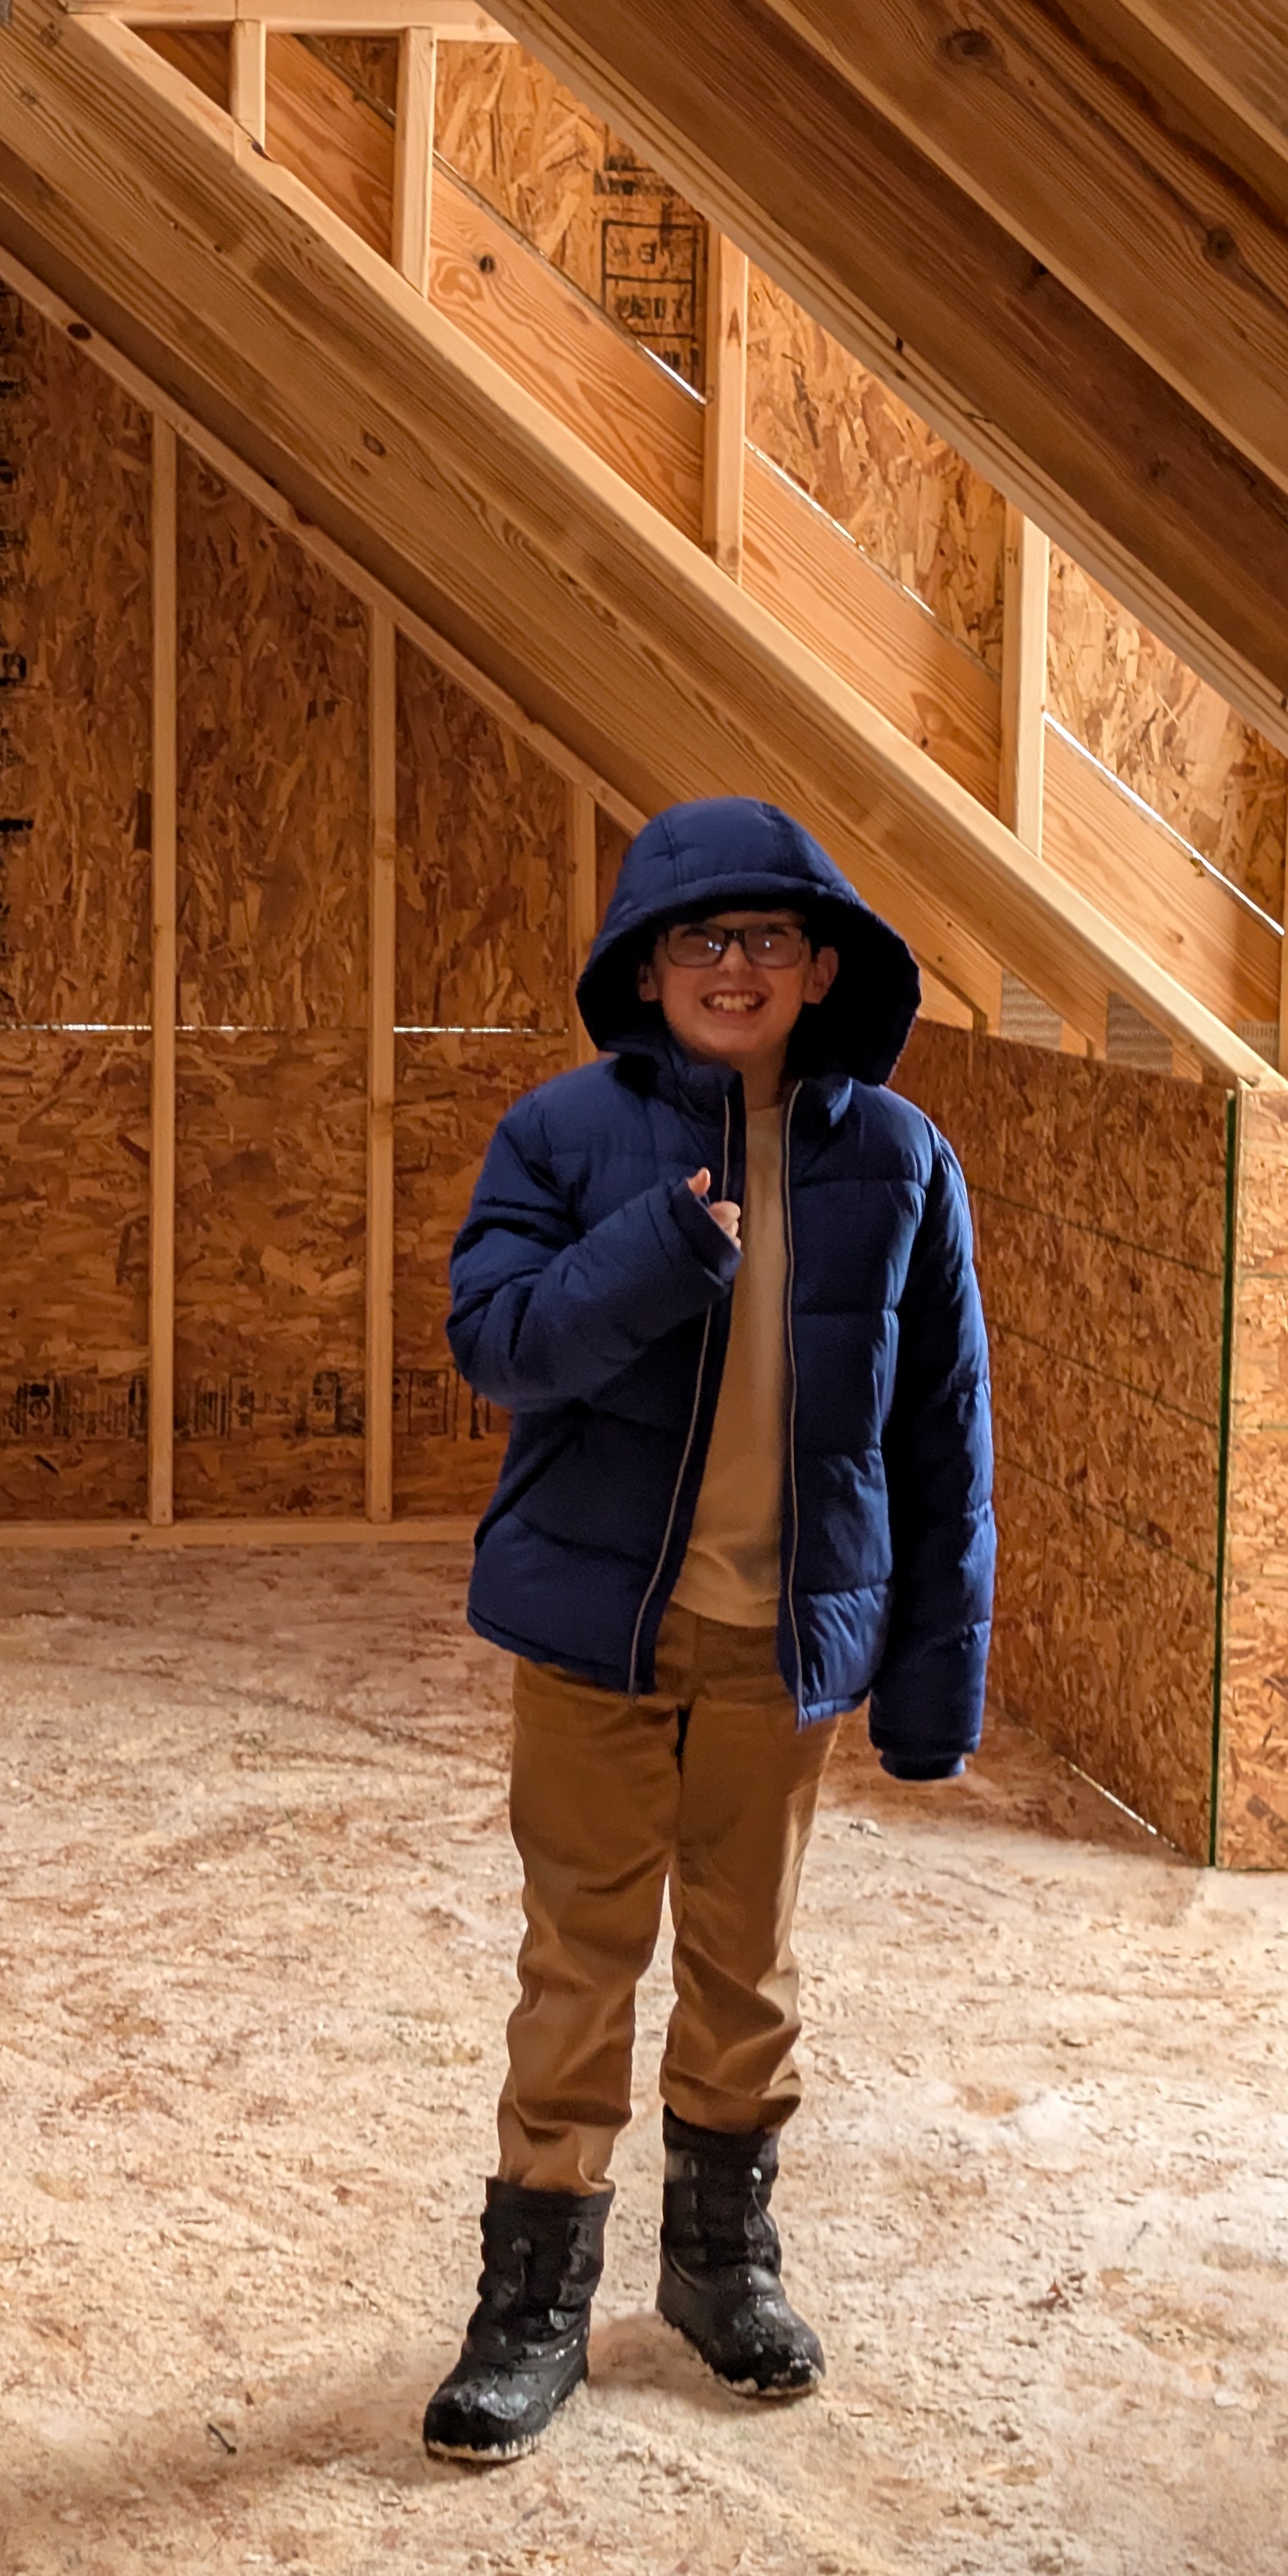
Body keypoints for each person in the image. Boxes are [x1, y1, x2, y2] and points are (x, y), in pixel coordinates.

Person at [420, 798, 990, 2465]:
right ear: (646, 968)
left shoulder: (898, 1157)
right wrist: (663, 1250)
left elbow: (945, 1431)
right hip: (598, 1637)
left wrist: (936, 1670)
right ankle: (531, 2305)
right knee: (579, 1961)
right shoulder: (560, 1133)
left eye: (763, 941)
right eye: (697, 941)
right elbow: (501, 1348)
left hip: (783, 1646)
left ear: (822, 968)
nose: (731, 969)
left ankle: (720, 2266)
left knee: (748, 1968)